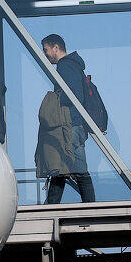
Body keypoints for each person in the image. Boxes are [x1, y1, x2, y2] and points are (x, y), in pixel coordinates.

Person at [41, 34, 95, 203]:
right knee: (73, 170)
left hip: (70, 124)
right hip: (76, 124)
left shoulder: (65, 66)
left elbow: (73, 95)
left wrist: (54, 101)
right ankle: (89, 205)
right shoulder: (74, 65)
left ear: (56, 47)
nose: (45, 54)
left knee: (63, 168)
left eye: (46, 50)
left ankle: (52, 208)